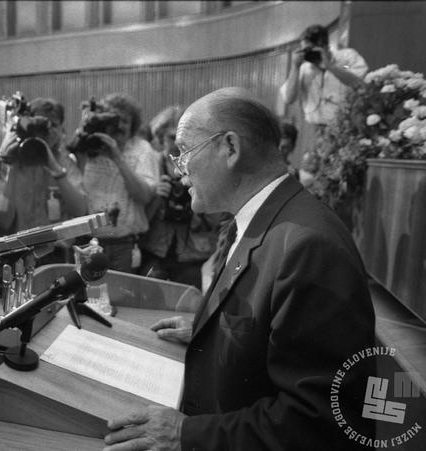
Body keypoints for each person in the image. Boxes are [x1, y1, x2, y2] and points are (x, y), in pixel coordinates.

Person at [103, 88, 375, 451]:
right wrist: (218, 332)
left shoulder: (310, 247)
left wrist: (184, 434)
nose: (178, 170)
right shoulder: (266, 217)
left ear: (229, 148)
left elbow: (320, 423)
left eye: (184, 152)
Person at [76, 93, 158, 273]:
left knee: (122, 294)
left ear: (133, 125)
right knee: (91, 297)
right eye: (113, 120)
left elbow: (144, 196)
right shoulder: (90, 148)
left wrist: (117, 157)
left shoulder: (142, 150)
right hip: (91, 242)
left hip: (125, 245)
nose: (119, 126)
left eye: (124, 121)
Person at [139, 106, 220, 288]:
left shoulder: (202, 165)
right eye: (170, 137)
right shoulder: (151, 163)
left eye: (182, 137)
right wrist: (158, 197)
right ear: (160, 137)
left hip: (193, 253)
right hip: (156, 249)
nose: (177, 143)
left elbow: (216, 218)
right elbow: (140, 221)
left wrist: (196, 195)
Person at [0, 97, 87, 233]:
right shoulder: (11, 162)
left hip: (58, 250)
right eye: (41, 126)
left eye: (53, 125)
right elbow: (3, 220)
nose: (47, 132)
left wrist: (55, 168)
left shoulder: (66, 162)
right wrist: (14, 167)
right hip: (23, 249)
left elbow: (80, 211)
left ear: (62, 129)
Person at [280, 24, 368, 128]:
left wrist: (330, 67)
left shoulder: (346, 59)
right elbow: (288, 99)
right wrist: (295, 67)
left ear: (323, 45)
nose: (306, 54)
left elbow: (358, 83)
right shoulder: (304, 69)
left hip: (345, 125)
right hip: (313, 129)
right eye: (304, 50)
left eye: (309, 50)